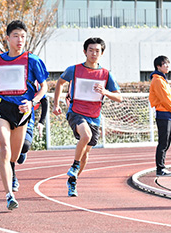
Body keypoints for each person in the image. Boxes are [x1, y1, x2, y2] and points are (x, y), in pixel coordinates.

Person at [0, 20, 48, 210]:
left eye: (23, 36)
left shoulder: (32, 60)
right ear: (7, 38)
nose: (20, 40)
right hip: (2, 108)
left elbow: (45, 87)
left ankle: (14, 167)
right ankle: (9, 195)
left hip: (23, 111)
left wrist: (32, 102)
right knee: (5, 149)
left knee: (14, 155)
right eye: (15, 36)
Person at [52, 37, 122, 197]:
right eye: (91, 50)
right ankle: (74, 166)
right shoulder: (74, 70)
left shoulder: (106, 74)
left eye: (97, 51)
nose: (94, 53)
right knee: (86, 135)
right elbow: (59, 83)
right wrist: (56, 104)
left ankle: (73, 180)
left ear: (102, 53)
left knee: (86, 154)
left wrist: (105, 92)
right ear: (85, 51)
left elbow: (119, 97)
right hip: (76, 111)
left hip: (94, 116)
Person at [149, 55, 171, 177]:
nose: (167, 66)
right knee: (163, 143)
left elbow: (170, 97)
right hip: (163, 114)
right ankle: (160, 168)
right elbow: (164, 98)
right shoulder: (157, 80)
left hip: (168, 114)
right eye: (164, 64)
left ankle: (162, 167)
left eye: (168, 63)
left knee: (167, 142)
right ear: (158, 66)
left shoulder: (162, 80)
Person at [11, 95, 48, 192]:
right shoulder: (7, 81)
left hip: (26, 120)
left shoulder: (33, 81)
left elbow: (44, 100)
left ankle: (22, 152)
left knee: (25, 146)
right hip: (9, 119)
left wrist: (41, 122)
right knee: (7, 150)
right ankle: (13, 178)